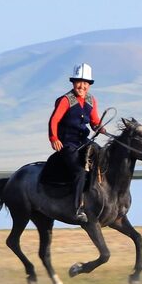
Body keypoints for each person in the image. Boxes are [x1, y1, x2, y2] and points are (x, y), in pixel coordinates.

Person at [48, 64, 105, 222]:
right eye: (79, 82)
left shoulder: (91, 100)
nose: (82, 86)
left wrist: (99, 128)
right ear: (73, 83)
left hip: (83, 140)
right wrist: (54, 138)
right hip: (68, 143)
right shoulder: (65, 100)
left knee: (103, 156)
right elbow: (54, 120)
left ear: (89, 85)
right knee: (79, 172)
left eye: (85, 83)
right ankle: (77, 208)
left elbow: (94, 121)